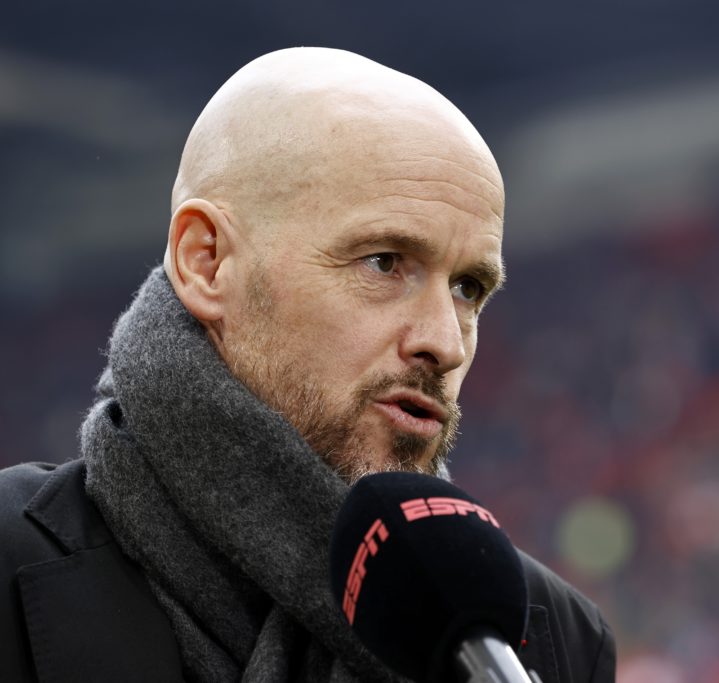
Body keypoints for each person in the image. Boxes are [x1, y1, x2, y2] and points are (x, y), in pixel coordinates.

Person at [0, 48, 615, 682]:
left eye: (468, 289)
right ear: (206, 262)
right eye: (384, 262)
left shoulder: (555, 641)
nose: (446, 344)